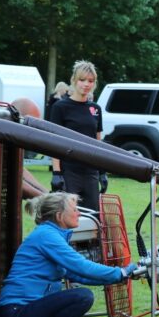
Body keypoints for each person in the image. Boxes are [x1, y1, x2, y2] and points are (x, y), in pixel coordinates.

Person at [0, 192, 136, 317]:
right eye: (75, 210)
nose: (79, 213)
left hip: (37, 314)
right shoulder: (47, 235)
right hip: (17, 312)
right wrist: (120, 273)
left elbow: (78, 274)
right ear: (60, 216)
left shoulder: (54, 235)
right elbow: (82, 266)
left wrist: (118, 277)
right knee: (83, 296)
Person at [49, 61, 108, 212]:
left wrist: (102, 171)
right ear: (74, 80)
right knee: (69, 215)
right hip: (69, 171)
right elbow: (54, 142)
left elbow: (98, 142)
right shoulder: (60, 107)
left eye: (90, 81)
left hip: (90, 171)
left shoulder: (95, 109)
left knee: (93, 217)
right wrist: (56, 173)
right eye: (82, 80)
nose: (86, 84)